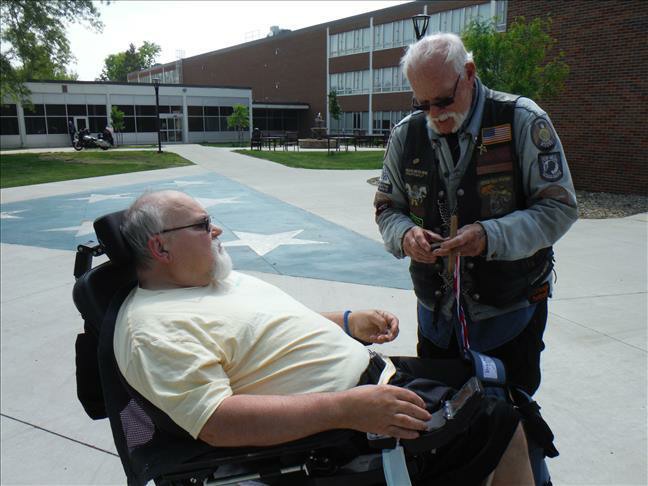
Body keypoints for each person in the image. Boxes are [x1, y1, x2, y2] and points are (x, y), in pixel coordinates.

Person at [115, 190, 534, 485]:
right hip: (341, 437)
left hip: (373, 389)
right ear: (161, 248)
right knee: (499, 424)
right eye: (203, 225)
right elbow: (216, 423)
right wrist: (344, 409)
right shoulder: (152, 330)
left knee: (502, 392)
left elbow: (272, 331)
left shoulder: (208, 280)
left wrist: (348, 322)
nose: (217, 230)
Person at [373, 33, 578, 396]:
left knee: (511, 414)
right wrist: (405, 235)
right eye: (423, 104)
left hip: (509, 313)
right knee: (441, 411)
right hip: (436, 317)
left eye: (443, 100)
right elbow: (388, 208)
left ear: (469, 73)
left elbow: (558, 208)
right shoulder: (407, 134)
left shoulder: (522, 120)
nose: (435, 114)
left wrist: (489, 236)